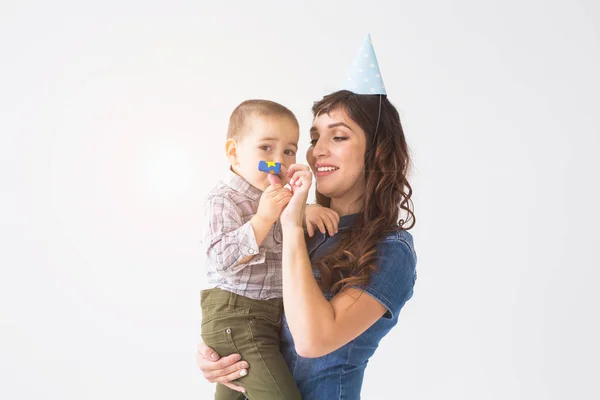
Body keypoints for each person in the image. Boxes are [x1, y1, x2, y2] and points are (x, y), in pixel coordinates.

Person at [198, 35, 417, 399]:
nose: (317, 152)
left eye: (339, 137)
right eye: (314, 138)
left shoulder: (390, 250)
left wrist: (290, 222)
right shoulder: (308, 228)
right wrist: (219, 349)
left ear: (376, 153)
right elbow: (251, 302)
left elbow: (313, 340)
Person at [201, 99, 338, 400]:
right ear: (234, 153)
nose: (279, 160)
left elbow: (292, 225)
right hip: (238, 316)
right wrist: (263, 218)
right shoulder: (224, 199)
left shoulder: (280, 197)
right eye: (266, 148)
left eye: (289, 150)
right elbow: (221, 258)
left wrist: (307, 208)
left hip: (267, 318)